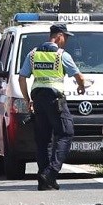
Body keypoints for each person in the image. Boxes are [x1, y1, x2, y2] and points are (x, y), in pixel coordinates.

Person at [17, 23, 86, 191]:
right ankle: (51, 172)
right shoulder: (62, 55)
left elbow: (22, 77)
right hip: (55, 99)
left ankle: (44, 179)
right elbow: (79, 76)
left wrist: (27, 100)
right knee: (66, 133)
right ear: (59, 36)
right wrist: (81, 86)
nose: (66, 41)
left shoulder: (32, 54)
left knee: (43, 139)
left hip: (38, 98)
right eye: (66, 38)